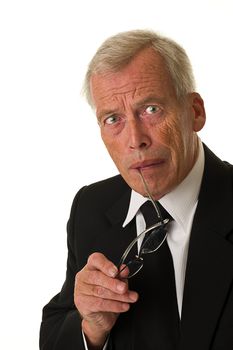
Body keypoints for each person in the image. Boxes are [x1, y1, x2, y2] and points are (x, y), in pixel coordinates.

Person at [39, 30, 233, 350]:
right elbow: (55, 332)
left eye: (151, 109)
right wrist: (92, 328)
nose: (135, 140)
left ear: (195, 111)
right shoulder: (91, 207)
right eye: (113, 118)